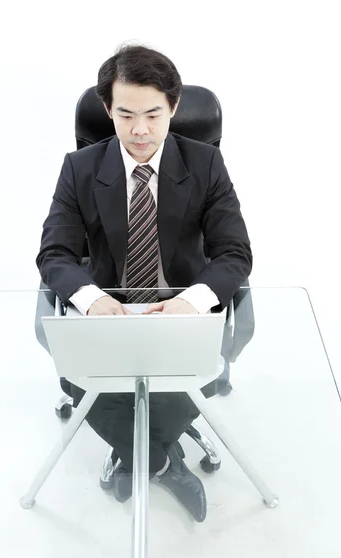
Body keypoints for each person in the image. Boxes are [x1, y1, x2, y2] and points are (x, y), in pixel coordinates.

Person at [36, 44, 252, 522]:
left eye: (153, 114)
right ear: (107, 109)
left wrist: (193, 302)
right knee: (88, 381)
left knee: (183, 378)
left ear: (174, 108)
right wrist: (91, 299)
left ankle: (137, 457)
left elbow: (235, 253)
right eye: (125, 114)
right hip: (108, 312)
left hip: (178, 311)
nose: (139, 130)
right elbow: (55, 253)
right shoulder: (80, 169)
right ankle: (163, 460)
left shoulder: (205, 164)